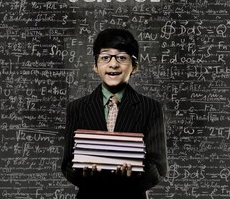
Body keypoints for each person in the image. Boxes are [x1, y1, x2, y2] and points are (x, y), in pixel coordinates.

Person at [61, 28, 168, 199]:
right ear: (95, 66)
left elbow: (159, 166)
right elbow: (67, 163)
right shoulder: (77, 108)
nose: (113, 64)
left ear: (135, 67)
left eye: (122, 57)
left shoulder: (151, 108)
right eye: (105, 57)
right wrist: (85, 176)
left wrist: (133, 178)